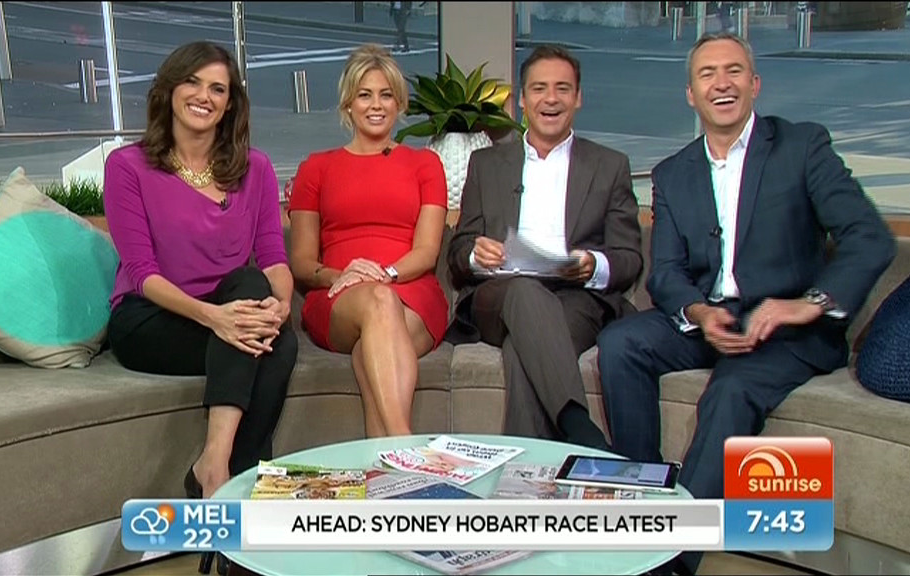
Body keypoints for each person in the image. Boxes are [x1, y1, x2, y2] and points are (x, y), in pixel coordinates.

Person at [596, 32, 895, 575]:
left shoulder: (802, 146)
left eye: (733, 71)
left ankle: (669, 560)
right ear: (691, 94)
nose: (722, 83)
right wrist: (699, 312)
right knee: (621, 343)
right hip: (715, 319)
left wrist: (809, 303)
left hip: (789, 330)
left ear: (754, 85)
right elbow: (666, 274)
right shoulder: (673, 172)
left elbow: (869, 236)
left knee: (731, 389)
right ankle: (643, 506)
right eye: (707, 74)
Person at [104, 40, 296, 575]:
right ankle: (233, 484)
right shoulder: (128, 166)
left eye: (218, 88)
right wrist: (216, 317)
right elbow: (142, 273)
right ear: (169, 90)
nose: (204, 96)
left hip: (230, 309)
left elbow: (274, 258)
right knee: (263, 338)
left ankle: (216, 472)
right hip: (150, 317)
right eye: (193, 82)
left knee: (265, 311)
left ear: (230, 103)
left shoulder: (255, 169)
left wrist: (280, 307)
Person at [445, 44, 643, 450]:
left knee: (525, 350)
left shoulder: (610, 166)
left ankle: (527, 473)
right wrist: (476, 254)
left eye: (562, 88)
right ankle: (580, 428)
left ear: (578, 97)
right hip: (498, 295)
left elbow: (629, 258)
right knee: (524, 291)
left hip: (575, 299)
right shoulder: (487, 164)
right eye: (539, 89)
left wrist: (593, 264)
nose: (550, 99)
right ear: (522, 99)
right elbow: (459, 248)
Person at [288, 44, 448, 438]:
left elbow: (427, 252)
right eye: (365, 95)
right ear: (348, 103)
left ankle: (386, 462)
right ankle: (405, 445)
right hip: (339, 296)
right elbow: (302, 262)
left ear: (399, 103)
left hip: (413, 291)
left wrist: (385, 274)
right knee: (378, 301)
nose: (376, 105)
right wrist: (343, 275)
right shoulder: (317, 168)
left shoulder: (425, 164)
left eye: (386, 95)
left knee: (371, 345)